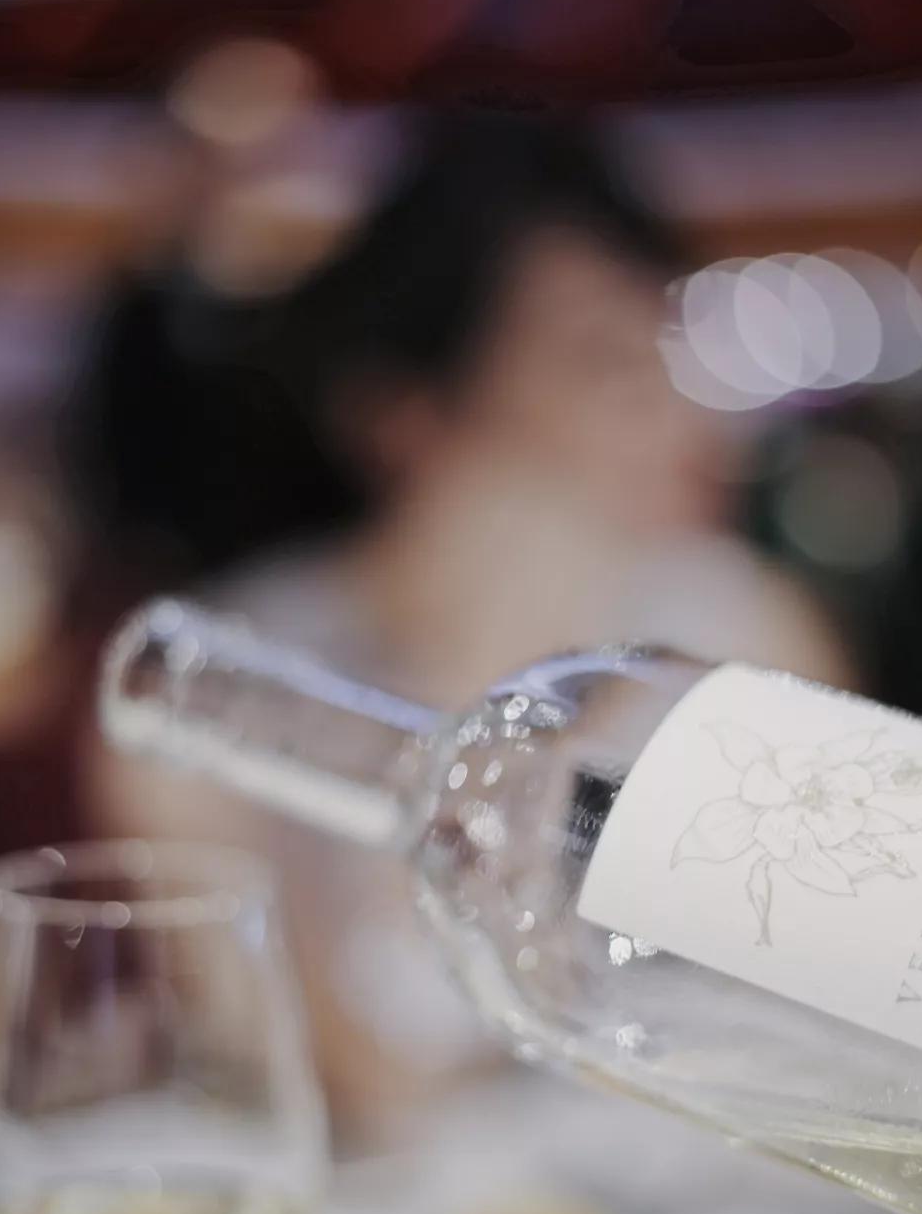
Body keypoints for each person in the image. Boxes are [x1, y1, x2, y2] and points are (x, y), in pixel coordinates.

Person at [77, 111, 854, 1145]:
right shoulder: (206, 699)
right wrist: (474, 682)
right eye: (603, 367)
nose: (682, 420)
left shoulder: (738, 628)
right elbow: (328, 1104)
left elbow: (846, 1038)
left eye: (669, 355)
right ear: (406, 417)